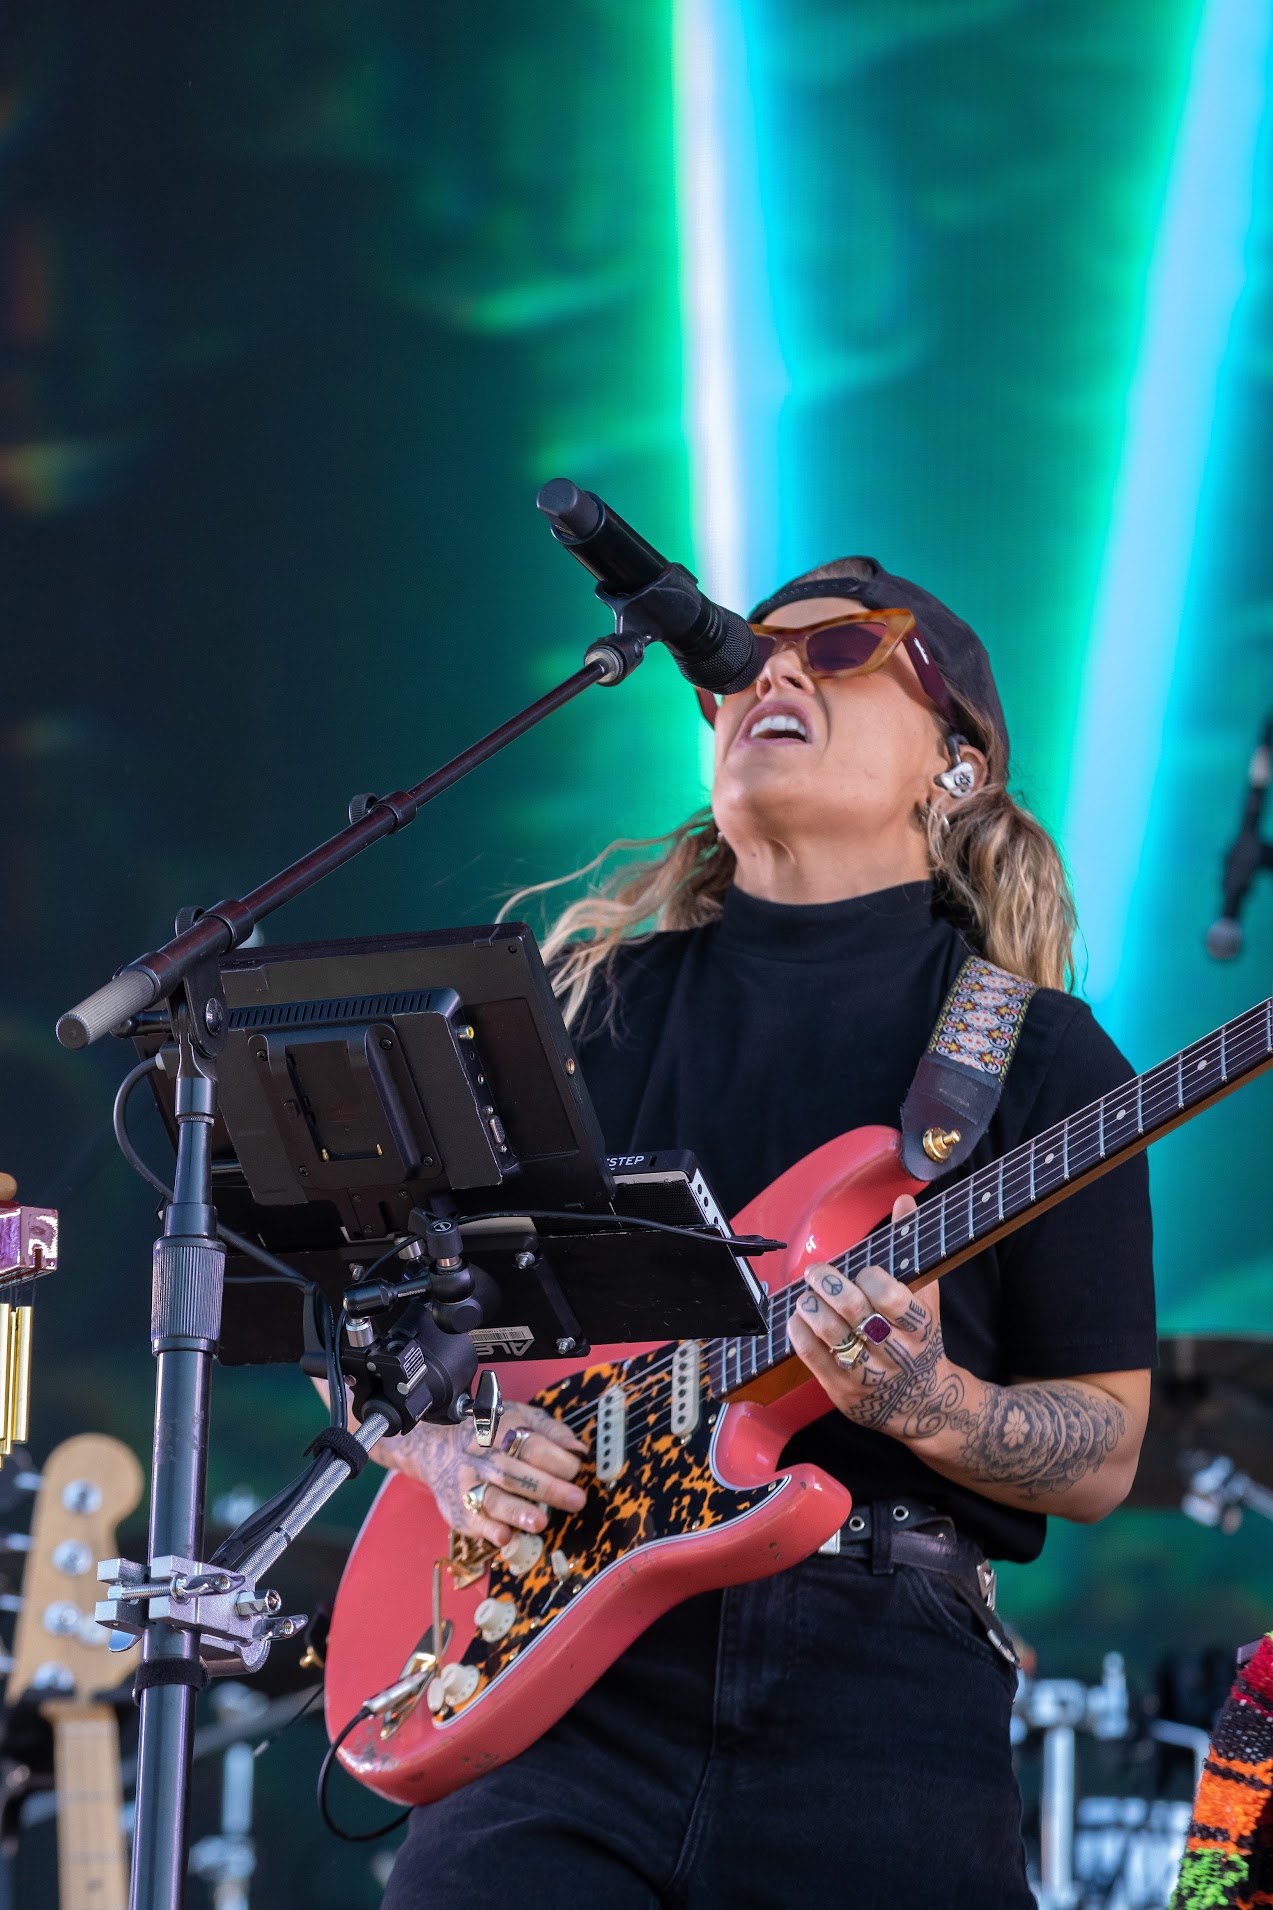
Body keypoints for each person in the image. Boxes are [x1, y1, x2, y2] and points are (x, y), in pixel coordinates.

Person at [375, 556, 1156, 1909]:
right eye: (738, 661)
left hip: (876, 1682)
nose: (768, 675)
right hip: (557, 1676)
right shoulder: (580, 1017)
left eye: (842, 647)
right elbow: (387, 1329)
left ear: (955, 765)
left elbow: (1098, 1446)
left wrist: (932, 1400)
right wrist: (450, 1450)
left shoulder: (1036, 1056)